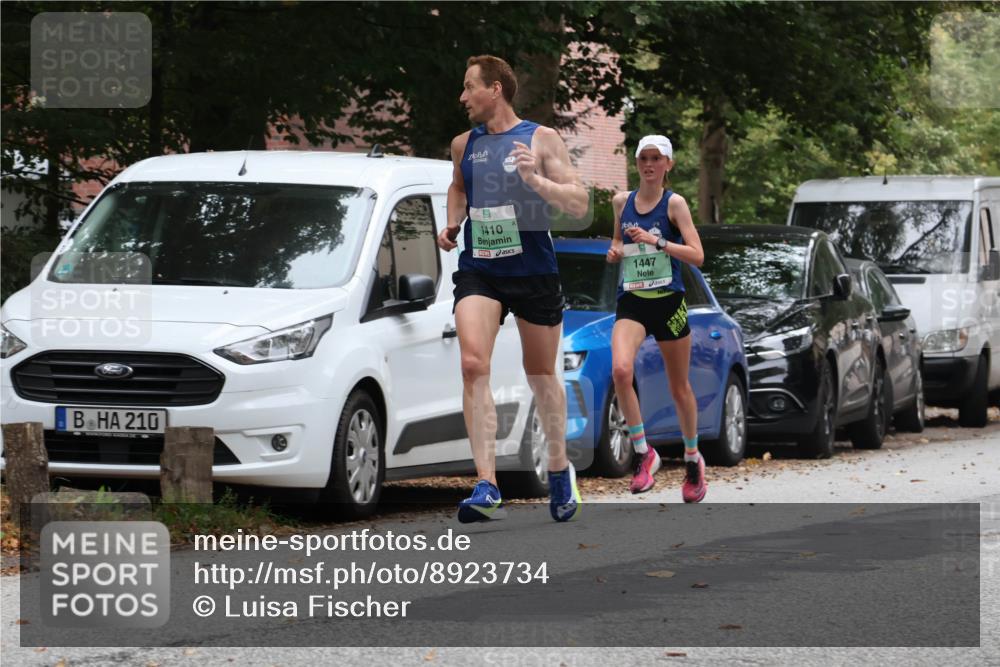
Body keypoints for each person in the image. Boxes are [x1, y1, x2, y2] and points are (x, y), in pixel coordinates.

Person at [436, 55, 589, 523]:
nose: (462, 97)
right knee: (471, 363)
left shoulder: (541, 138)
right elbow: (459, 187)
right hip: (481, 267)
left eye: (469, 87)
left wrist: (535, 179)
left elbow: (579, 203)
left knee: (541, 374)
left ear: (496, 89)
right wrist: (452, 222)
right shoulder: (464, 144)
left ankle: (560, 469)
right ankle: (487, 484)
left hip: (532, 268)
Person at [605, 135, 707, 502]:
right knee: (620, 370)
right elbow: (617, 243)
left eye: (655, 159)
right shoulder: (622, 202)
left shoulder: (674, 204)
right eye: (642, 159)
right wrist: (614, 252)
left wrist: (658, 241)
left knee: (679, 387)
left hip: (668, 302)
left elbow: (697, 255)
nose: (648, 165)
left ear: (668, 164)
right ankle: (643, 452)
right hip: (632, 300)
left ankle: (693, 459)